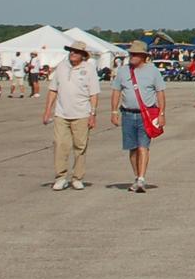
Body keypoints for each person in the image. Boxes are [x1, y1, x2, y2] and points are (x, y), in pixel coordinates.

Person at [41, 41, 100, 190]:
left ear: (82, 55)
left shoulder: (89, 69)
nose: (73, 53)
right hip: (61, 114)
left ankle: (77, 177)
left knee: (80, 146)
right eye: (71, 51)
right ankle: (60, 177)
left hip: (81, 114)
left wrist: (93, 114)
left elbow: (93, 93)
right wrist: (48, 110)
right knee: (60, 145)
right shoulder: (62, 67)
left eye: (76, 52)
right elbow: (53, 89)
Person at [113, 41, 167, 192]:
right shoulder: (123, 71)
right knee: (132, 148)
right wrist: (114, 112)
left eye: (135, 54)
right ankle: (137, 177)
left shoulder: (153, 71)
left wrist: (162, 113)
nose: (132, 57)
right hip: (128, 114)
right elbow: (116, 91)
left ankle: (142, 178)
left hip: (146, 115)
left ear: (143, 56)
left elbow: (160, 93)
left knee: (143, 146)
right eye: (131, 54)